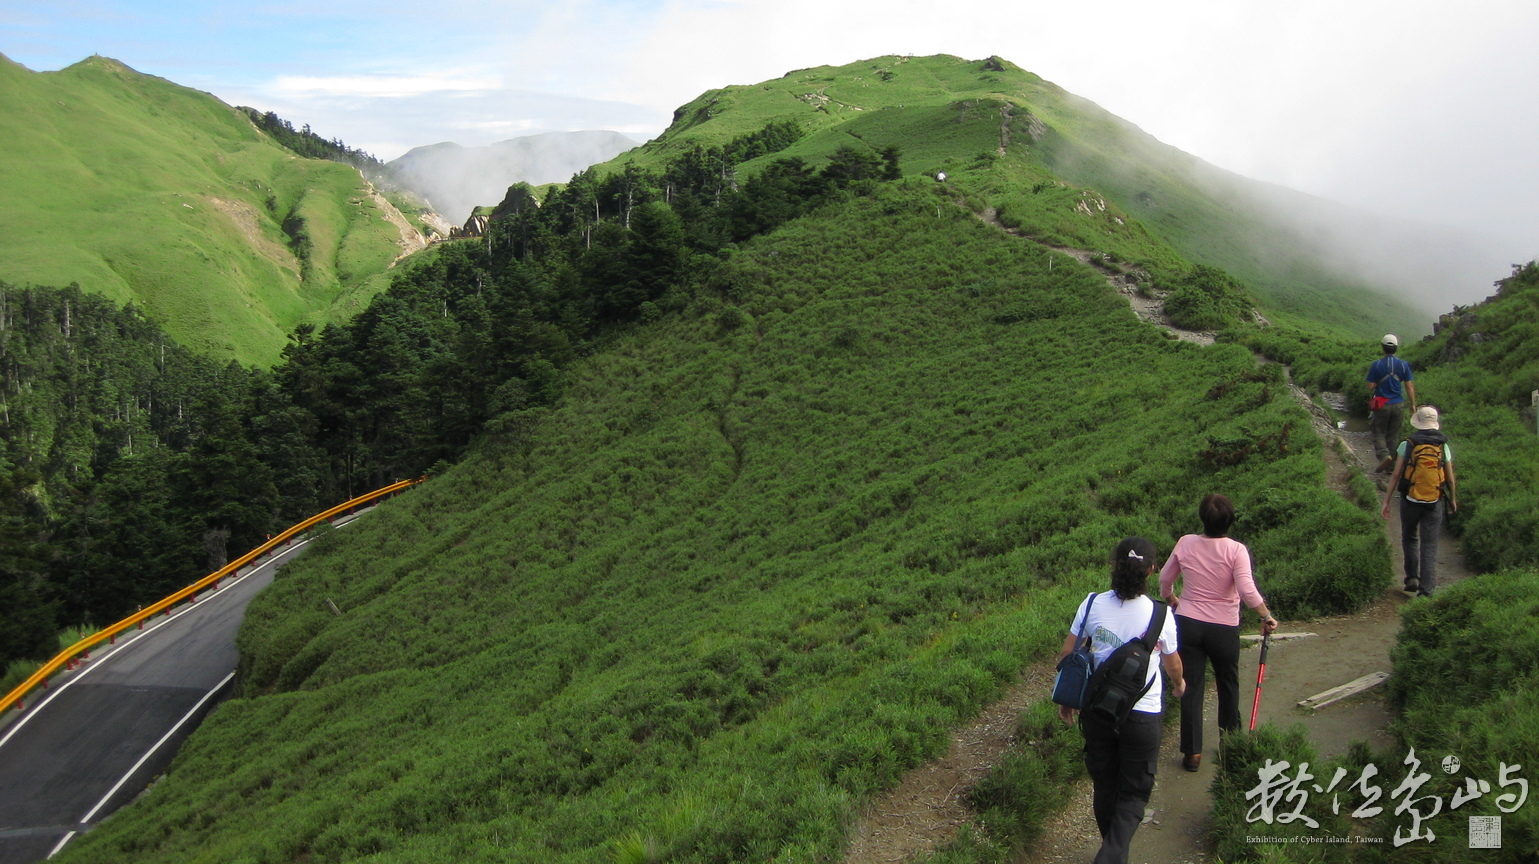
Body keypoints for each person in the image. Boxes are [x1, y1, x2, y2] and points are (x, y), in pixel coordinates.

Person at [1057, 537, 1184, 864]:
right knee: (1133, 794)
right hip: (1142, 715)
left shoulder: (1091, 603)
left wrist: (1067, 699)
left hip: (1098, 711)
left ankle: (1112, 852)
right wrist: (1180, 683)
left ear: (1113, 566)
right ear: (1152, 570)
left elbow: (1067, 655)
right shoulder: (1160, 615)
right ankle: (1112, 855)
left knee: (1105, 784)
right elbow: (1173, 664)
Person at [1159, 494, 1279, 772]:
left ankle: (1192, 754)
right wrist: (1266, 616)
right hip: (1223, 627)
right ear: (1230, 521)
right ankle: (1230, 744)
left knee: (1191, 686)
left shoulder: (1185, 542)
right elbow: (1247, 589)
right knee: (1228, 683)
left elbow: (1165, 579)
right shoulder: (1236, 550)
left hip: (1188, 622)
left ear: (1202, 518)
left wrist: (1172, 600)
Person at [1380, 406, 1458, 596]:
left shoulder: (1407, 444)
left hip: (1410, 499)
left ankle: (1412, 578)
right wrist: (1453, 500)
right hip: (1434, 500)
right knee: (1429, 545)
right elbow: (1450, 478)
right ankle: (1427, 590)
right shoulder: (1443, 446)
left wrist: (1387, 501)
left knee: (1409, 536)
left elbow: (1396, 474)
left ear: (1418, 422)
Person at [1367, 334, 1417, 472]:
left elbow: (1371, 386)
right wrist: (1413, 404)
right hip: (1398, 404)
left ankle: (1384, 456)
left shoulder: (1376, 364)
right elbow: (1409, 386)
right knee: (1393, 435)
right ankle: (1391, 467)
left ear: (1383, 347)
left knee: (1378, 432)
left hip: (1382, 404)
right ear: (1395, 348)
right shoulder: (1403, 365)